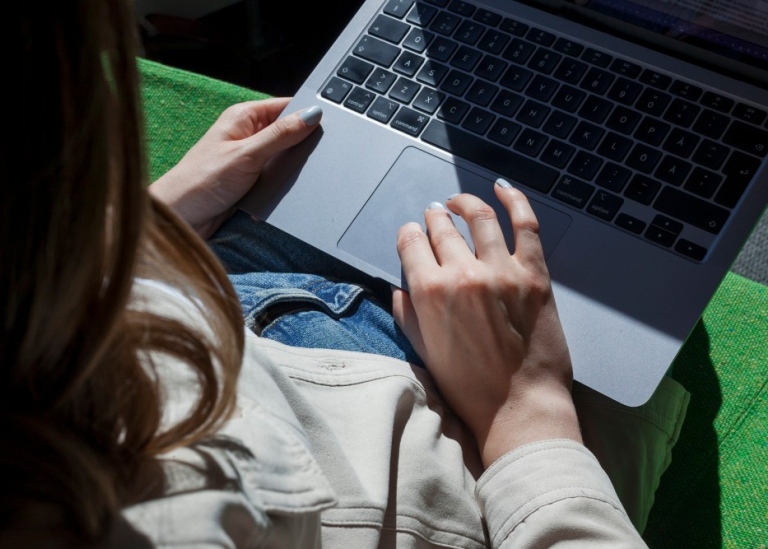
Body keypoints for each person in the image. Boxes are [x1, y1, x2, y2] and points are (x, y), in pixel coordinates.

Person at [2, 0, 690, 546]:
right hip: (448, 443)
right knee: (637, 320)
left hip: (195, 303)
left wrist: (148, 229)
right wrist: (524, 406)